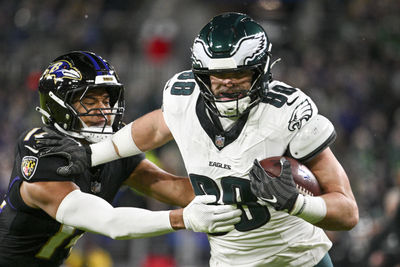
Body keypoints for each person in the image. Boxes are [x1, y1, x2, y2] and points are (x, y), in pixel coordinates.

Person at [38, 13, 359, 266]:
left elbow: (347, 212)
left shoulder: (288, 113)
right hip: (230, 261)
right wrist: (94, 155)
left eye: (239, 75)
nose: (227, 85)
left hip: (299, 257)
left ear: (261, 72)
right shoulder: (183, 98)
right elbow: (151, 129)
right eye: (217, 76)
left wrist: (298, 203)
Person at [0, 51, 242, 267]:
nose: (103, 110)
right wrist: (183, 218)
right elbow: (110, 222)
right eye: (90, 101)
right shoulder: (43, 147)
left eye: (106, 100)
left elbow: (174, 188)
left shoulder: (109, 150)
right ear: (59, 105)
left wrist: (243, 190)